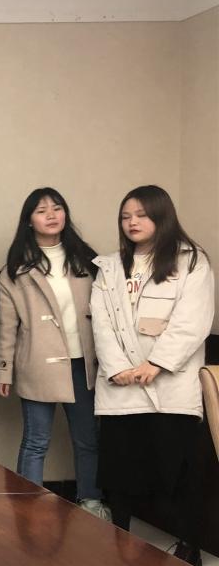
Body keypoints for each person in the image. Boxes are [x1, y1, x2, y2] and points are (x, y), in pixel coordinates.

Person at [91, 185, 213, 563]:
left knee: (176, 474)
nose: (132, 222)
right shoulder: (110, 267)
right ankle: (119, 546)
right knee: (119, 474)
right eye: (126, 216)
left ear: (162, 216)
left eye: (141, 215)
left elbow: (193, 321)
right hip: (121, 388)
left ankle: (188, 549)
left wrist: (156, 364)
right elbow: (101, 323)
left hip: (171, 389)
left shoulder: (191, 262)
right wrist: (118, 368)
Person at [0, 188, 108, 519]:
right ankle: (28, 509)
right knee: (36, 440)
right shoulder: (15, 270)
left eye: (57, 208)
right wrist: (3, 370)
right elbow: (6, 326)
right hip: (37, 364)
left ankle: (91, 502)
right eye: (42, 210)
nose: (51, 215)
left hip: (82, 364)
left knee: (87, 439)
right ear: (29, 220)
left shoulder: (88, 260)